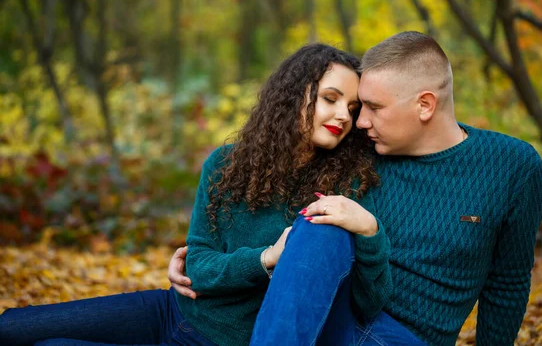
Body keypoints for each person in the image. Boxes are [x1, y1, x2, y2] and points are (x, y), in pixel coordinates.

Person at [171, 31, 542, 346]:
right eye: (355, 107)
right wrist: (199, 260)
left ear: (425, 105)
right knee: (321, 229)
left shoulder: (512, 167)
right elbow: (274, 198)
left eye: (371, 107)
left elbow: (508, 282)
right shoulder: (357, 151)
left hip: (404, 337)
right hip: (328, 320)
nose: (358, 121)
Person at [0, 44, 390, 346]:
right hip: (170, 309)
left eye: (352, 107)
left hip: (217, 340)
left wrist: (371, 234)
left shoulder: (348, 187)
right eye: (330, 98)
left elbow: (366, 303)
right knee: (14, 327)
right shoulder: (226, 163)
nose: (343, 115)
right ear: (293, 97)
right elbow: (197, 265)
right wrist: (264, 259)